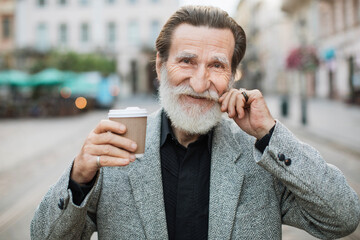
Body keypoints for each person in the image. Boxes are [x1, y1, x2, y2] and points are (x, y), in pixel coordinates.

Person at [31, 5, 360, 240]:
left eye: (216, 66)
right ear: (160, 65)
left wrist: (270, 133)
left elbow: (343, 218)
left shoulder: (264, 156)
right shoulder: (116, 150)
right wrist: (78, 179)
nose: (200, 83)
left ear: (233, 75)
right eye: (186, 61)